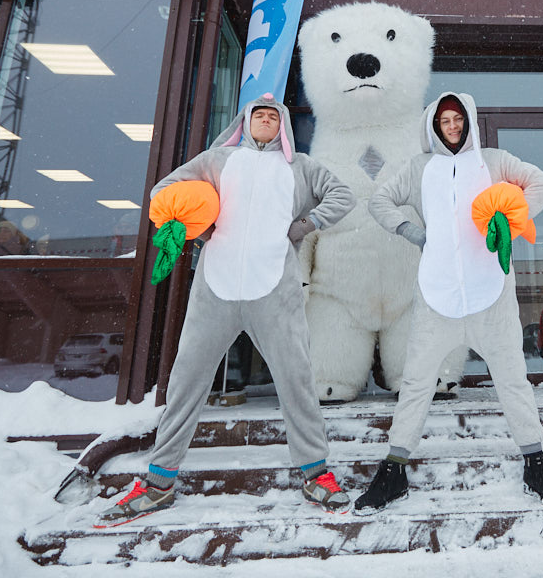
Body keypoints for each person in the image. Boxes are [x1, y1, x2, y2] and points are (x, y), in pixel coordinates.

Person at [96, 94, 356, 527]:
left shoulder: (301, 167)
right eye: (259, 115)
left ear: (283, 127)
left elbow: (342, 195)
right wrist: (199, 227)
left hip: (274, 288)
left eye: (274, 117)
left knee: (296, 379)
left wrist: (305, 226)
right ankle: (159, 482)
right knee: (186, 381)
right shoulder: (217, 159)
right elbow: (163, 193)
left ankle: (316, 473)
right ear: (246, 121)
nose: (267, 120)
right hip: (215, 287)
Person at [354, 92, 543, 513]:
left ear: (469, 120)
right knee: (416, 384)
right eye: (444, 121)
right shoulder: (419, 168)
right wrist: (411, 232)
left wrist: (509, 216)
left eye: (458, 119)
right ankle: (394, 470)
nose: (452, 126)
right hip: (436, 297)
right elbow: (379, 201)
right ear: (434, 126)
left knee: (512, 381)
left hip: (491, 294)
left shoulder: (495, 161)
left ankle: (536, 464)